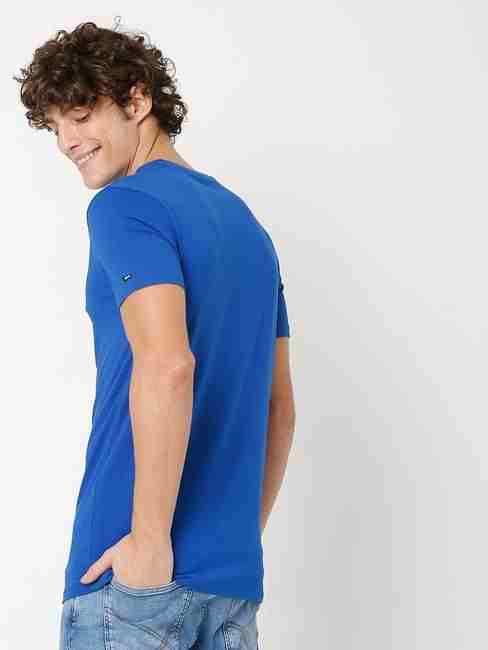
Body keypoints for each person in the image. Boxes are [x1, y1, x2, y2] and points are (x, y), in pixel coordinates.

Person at [15, 20, 295, 650]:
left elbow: (168, 364)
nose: (66, 141)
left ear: (137, 99)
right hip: (229, 583)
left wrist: (149, 542)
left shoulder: (125, 206)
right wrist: (234, 541)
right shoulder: (249, 229)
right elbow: (279, 407)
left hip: (134, 579)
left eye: (80, 115)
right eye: (54, 126)